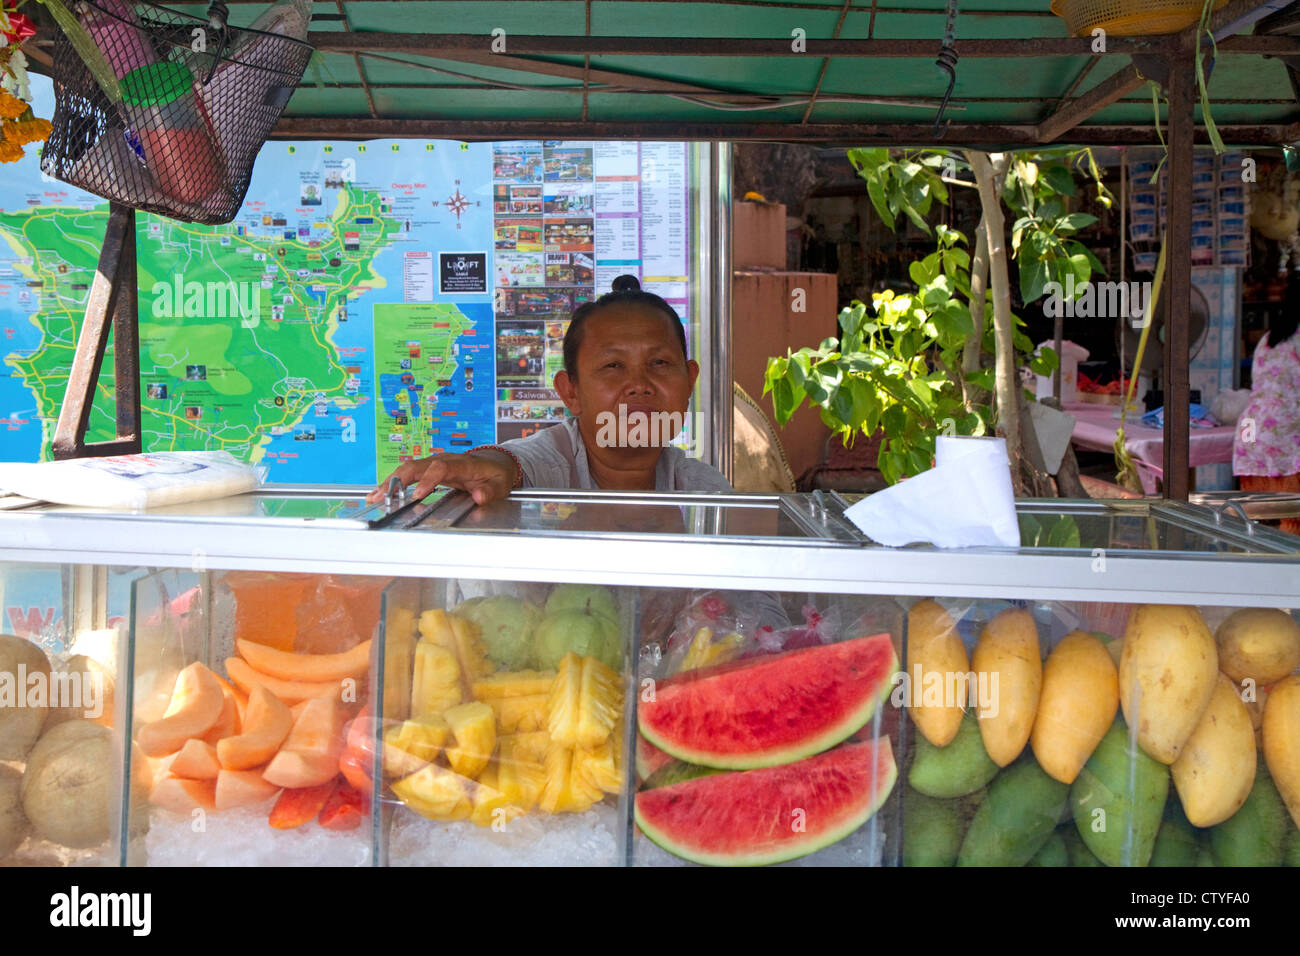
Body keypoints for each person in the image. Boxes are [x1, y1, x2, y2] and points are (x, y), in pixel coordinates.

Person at [369, 275, 731, 506]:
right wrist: (484, 466)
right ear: (570, 392)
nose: (639, 385)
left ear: (689, 381)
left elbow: (757, 612)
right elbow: (512, 464)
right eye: (613, 366)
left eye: (660, 364)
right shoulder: (548, 469)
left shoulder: (706, 493)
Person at [1233, 273, 1300, 535]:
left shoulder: (1270, 336)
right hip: (1286, 439)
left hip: (1251, 433)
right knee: (1292, 526)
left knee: (1257, 525)